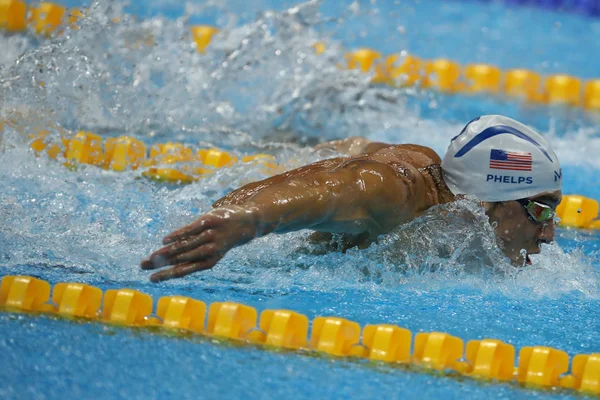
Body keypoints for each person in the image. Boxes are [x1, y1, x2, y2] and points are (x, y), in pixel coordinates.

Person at [141, 115, 562, 282]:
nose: (548, 234)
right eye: (541, 210)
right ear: (491, 200)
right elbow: (337, 190)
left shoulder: (445, 199)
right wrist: (246, 220)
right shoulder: (398, 196)